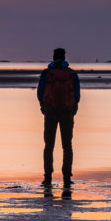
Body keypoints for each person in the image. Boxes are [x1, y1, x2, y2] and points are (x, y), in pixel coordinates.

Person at [37, 47, 80, 186]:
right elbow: (77, 95)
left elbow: (40, 93)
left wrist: (44, 107)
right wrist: (73, 109)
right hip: (67, 112)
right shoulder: (72, 74)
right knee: (67, 146)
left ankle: (47, 176)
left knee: (49, 145)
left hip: (51, 112)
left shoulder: (46, 73)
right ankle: (67, 177)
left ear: (53, 57)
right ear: (64, 57)